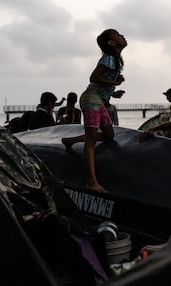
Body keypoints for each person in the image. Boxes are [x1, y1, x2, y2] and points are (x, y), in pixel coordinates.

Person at [61, 29, 127, 193]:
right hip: (91, 99)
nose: (122, 36)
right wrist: (115, 84)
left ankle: (70, 141)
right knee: (91, 142)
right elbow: (94, 78)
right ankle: (92, 181)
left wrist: (113, 90)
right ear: (111, 43)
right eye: (118, 35)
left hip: (98, 100)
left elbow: (102, 84)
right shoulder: (108, 58)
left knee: (109, 136)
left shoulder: (115, 60)